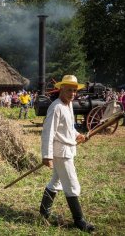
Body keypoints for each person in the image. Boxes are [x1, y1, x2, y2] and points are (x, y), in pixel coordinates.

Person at [39, 75, 95, 233]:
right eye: (69, 90)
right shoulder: (56, 107)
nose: (72, 93)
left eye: (74, 90)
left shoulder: (68, 105)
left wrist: (78, 134)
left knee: (56, 181)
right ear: (61, 89)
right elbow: (48, 132)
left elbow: (69, 127)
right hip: (61, 152)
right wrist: (46, 155)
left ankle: (43, 211)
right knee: (71, 184)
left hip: (68, 148)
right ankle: (79, 220)